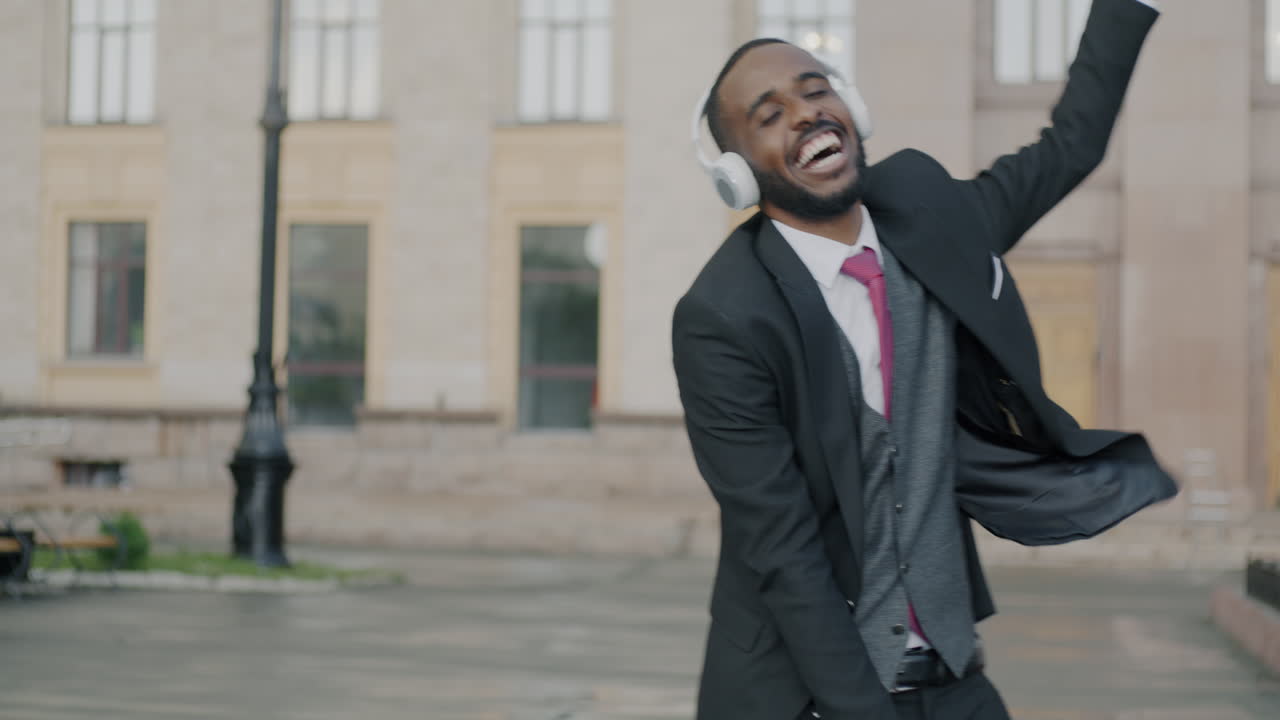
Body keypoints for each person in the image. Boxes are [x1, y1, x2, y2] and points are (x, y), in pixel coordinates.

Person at [671, 1, 1176, 718]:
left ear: (852, 107)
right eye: (769, 114)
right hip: (805, 694)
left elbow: (1069, 148)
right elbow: (782, 549)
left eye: (816, 90)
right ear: (738, 174)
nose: (806, 112)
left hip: (952, 679)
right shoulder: (724, 317)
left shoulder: (932, 213)